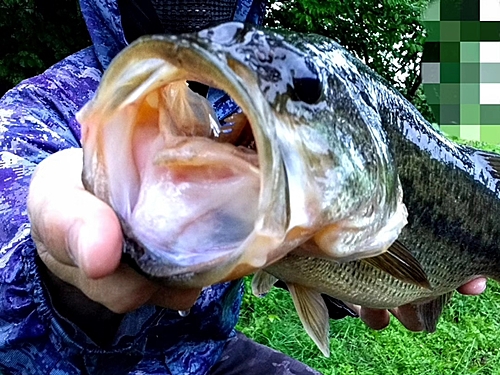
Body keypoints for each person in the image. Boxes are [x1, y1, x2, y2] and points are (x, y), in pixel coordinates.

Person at [0, 0, 487, 374]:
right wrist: (53, 274)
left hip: (205, 358)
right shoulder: (38, 107)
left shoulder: (259, 89)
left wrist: (333, 284)